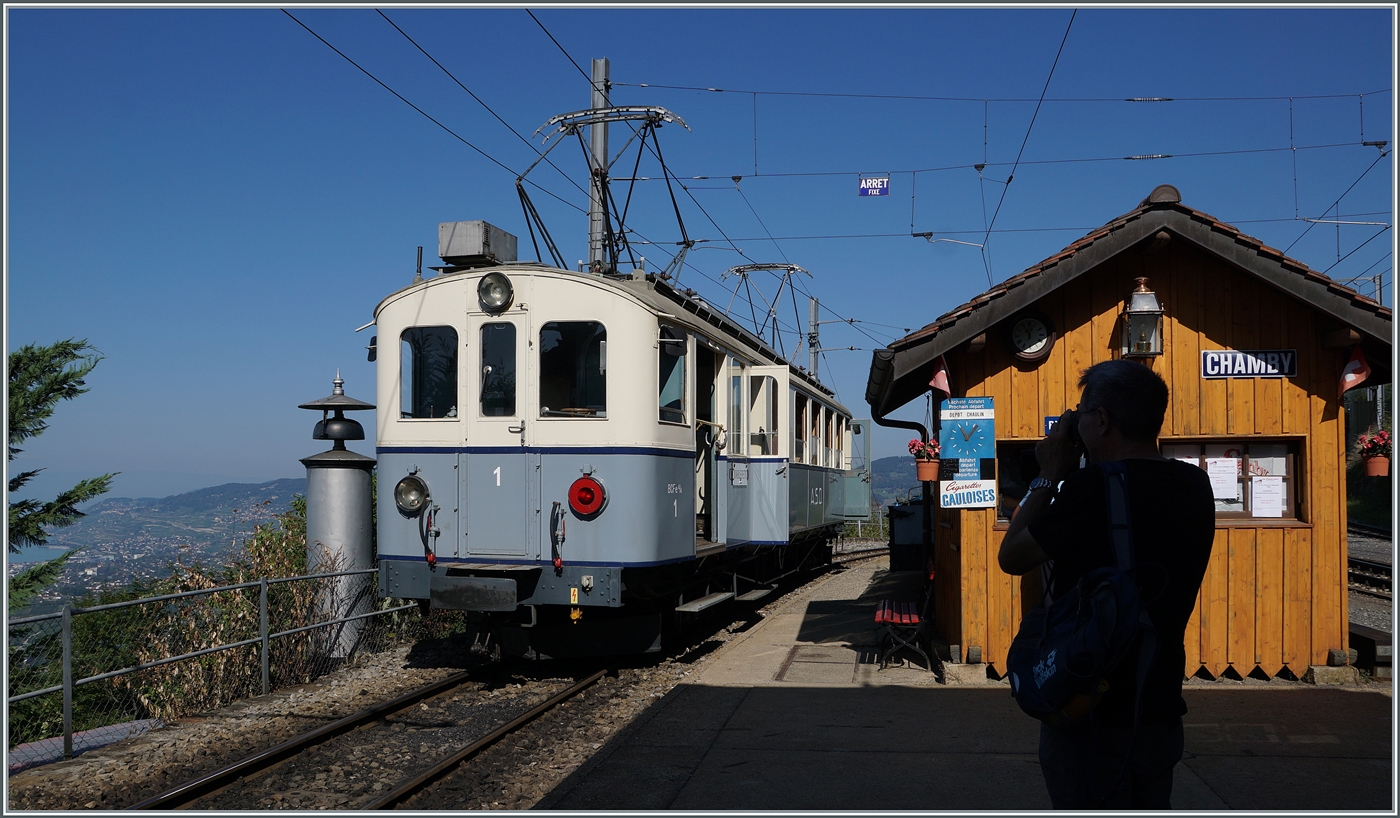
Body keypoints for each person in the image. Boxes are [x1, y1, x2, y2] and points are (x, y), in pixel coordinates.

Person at [999, 359, 1215, 810]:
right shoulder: (1195, 485)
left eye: (1080, 413)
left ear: (1101, 420)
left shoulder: (1089, 488)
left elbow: (1013, 556)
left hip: (1090, 710)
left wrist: (1048, 475)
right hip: (1157, 705)